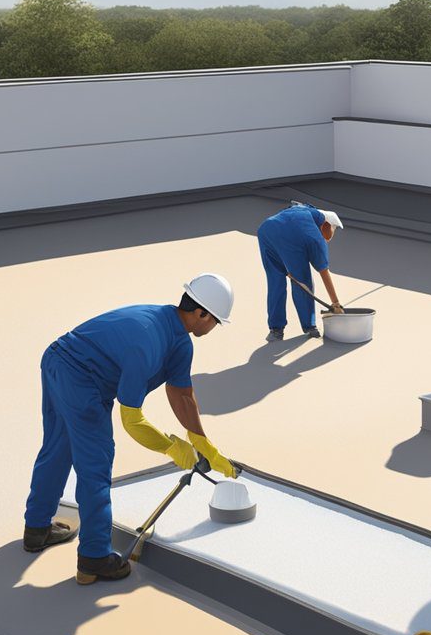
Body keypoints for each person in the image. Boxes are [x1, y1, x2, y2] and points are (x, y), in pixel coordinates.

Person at [22, 273, 241, 585]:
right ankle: (95, 558)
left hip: (58, 360)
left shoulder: (176, 336)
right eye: (216, 321)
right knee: (95, 463)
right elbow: (132, 420)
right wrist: (171, 446)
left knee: (59, 448)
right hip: (80, 378)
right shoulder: (149, 340)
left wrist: (204, 444)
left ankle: (37, 528)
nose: (214, 327)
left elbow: (182, 395)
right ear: (201, 313)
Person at [257, 201, 344, 341]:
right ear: (326, 224)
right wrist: (336, 303)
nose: (328, 240)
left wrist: (286, 268)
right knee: (303, 280)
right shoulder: (314, 235)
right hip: (287, 235)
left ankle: (276, 330)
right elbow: (324, 271)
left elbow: (285, 228)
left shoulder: (302, 211)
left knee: (275, 281)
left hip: (266, 231)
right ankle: (310, 327)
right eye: (331, 233)